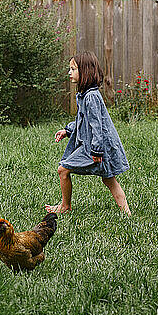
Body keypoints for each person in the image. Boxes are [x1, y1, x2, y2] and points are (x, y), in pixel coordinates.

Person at [45, 51, 131, 216]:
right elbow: (81, 119)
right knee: (109, 179)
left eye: (73, 69)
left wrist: (96, 150)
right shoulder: (85, 95)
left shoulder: (91, 97)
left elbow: (96, 125)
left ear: (85, 72)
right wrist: (68, 130)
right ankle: (127, 213)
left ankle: (65, 206)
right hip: (95, 145)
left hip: (95, 147)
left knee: (63, 170)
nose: (69, 73)